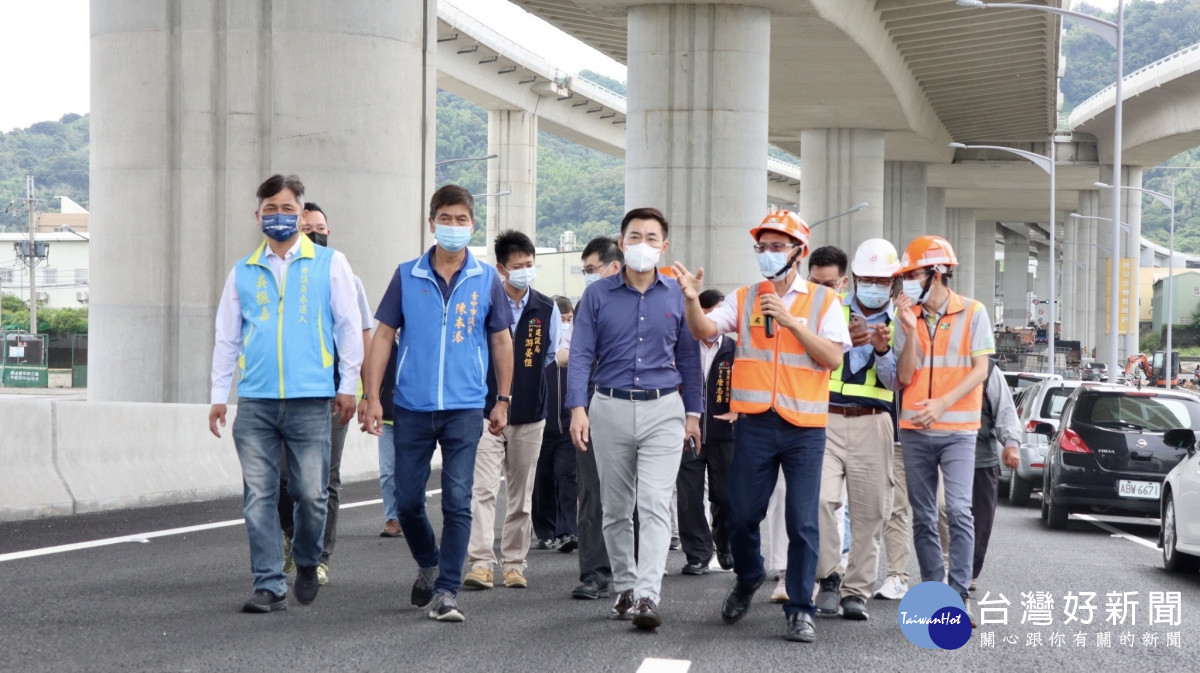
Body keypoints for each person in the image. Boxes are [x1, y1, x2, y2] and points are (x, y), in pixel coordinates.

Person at [674, 210, 850, 644]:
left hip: (804, 428)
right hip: (754, 424)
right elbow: (704, 330)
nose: (767, 255)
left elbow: (832, 358)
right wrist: (691, 299)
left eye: (776, 247)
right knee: (741, 512)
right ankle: (749, 577)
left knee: (801, 520)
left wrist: (791, 322)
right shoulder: (747, 296)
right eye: (762, 247)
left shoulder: (823, 301)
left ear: (798, 252)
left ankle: (800, 608)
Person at [208, 174, 363, 613]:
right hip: (255, 401)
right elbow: (227, 338)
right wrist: (220, 395)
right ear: (258, 215)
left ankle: (308, 560)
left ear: (301, 213)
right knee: (258, 496)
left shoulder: (330, 263)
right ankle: (269, 584)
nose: (279, 216)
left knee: (311, 494)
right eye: (270, 209)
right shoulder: (243, 271)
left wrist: (347, 387)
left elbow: (350, 327)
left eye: (288, 209)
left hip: (312, 400)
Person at [362, 184, 514, 623]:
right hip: (411, 405)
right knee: (407, 502)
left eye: (460, 219)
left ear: (472, 225)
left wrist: (502, 399)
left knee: (457, 498)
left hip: (466, 407)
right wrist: (373, 397)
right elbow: (384, 336)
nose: (452, 227)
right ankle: (428, 562)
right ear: (431, 224)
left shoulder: (485, 279)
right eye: (444, 219)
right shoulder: (407, 274)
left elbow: (501, 340)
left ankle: (447, 589)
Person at [568, 208, 703, 631]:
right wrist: (577, 408)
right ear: (621, 243)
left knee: (655, 501)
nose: (641, 244)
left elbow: (689, 359)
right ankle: (625, 587)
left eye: (650, 237)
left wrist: (694, 414)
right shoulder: (597, 295)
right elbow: (581, 354)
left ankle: (648, 595)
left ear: (664, 246)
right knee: (615, 507)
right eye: (633, 236)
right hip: (608, 407)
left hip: (665, 408)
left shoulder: (677, 295)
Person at [893, 235, 993, 628]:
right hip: (915, 429)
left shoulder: (973, 311)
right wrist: (906, 329)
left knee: (958, 510)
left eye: (913, 274)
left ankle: (959, 594)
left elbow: (980, 369)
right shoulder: (907, 315)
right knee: (922, 515)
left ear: (936, 274)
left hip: (958, 429)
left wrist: (943, 404)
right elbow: (902, 377)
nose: (907, 283)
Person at [277, 202, 374, 586]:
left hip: (336, 393)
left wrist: (369, 395)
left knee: (324, 479)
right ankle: (292, 535)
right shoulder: (278, 277)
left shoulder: (347, 276)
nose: (313, 233)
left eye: (319, 227)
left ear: (328, 232)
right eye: (305, 227)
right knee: (282, 478)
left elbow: (363, 335)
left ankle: (318, 556)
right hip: (286, 394)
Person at [463, 230, 562, 591]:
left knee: (521, 496)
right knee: (484, 490)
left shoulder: (546, 308)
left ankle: (515, 564)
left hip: (530, 415)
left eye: (529, 265)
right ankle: (481, 563)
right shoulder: (484, 304)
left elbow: (548, 355)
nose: (524, 271)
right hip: (486, 414)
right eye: (517, 266)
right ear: (500, 269)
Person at [811, 240, 900, 622]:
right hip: (825, 416)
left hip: (874, 420)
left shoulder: (904, 320)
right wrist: (844, 343)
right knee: (820, 499)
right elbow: (813, 356)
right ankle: (829, 577)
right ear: (855, 279)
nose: (873, 285)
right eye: (867, 278)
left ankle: (856, 591)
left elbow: (898, 381)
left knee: (870, 512)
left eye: (882, 280)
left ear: (893, 282)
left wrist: (881, 350)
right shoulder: (830, 307)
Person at [563, 236, 624, 601]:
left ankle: (633, 570)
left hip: (641, 409)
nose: (588, 277)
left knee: (635, 494)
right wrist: (577, 408)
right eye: (584, 271)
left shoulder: (656, 295)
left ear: (613, 266)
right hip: (595, 405)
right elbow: (577, 356)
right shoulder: (590, 301)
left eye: (591, 270)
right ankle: (596, 572)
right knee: (592, 492)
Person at [675, 289, 737, 576]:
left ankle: (724, 543)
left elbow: (749, 381)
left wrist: (739, 410)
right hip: (688, 430)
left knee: (725, 496)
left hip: (725, 432)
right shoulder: (684, 344)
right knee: (689, 495)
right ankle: (698, 552)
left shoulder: (734, 348)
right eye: (716, 312)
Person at [531, 296, 579, 552]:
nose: (565, 324)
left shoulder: (576, 350)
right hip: (541, 425)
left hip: (568, 425)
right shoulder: (540, 347)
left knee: (568, 476)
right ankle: (545, 530)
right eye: (560, 320)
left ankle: (569, 531)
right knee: (543, 479)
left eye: (568, 319)